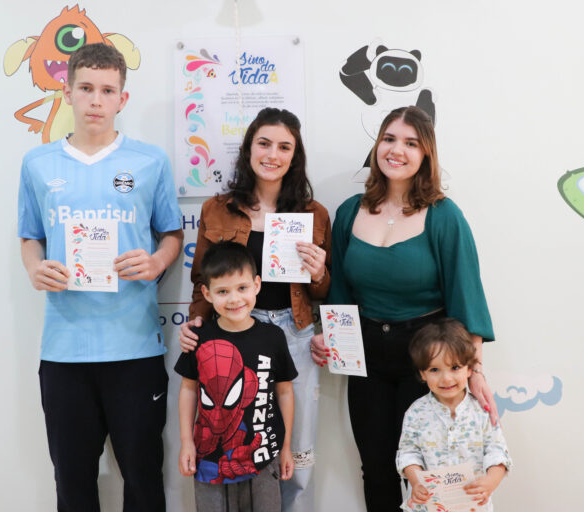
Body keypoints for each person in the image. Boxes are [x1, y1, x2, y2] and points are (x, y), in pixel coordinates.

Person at [17, 43, 183, 511]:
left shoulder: (150, 162)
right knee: (72, 485)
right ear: (67, 93)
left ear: (122, 99)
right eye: (86, 88)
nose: (96, 100)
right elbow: (29, 236)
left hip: (134, 349)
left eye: (107, 90)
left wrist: (158, 262)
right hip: (65, 352)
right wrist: (34, 267)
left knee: (144, 481)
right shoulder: (38, 164)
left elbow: (172, 233)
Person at [310, 105, 497, 511]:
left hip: (429, 359)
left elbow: (466, 296)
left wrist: (476, 371)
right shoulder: (349, 211)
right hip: (367, 359)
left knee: (432, 471)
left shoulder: (445, 216)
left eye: (411, 143)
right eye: (389, 139)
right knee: (376, 468)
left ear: (426, 154)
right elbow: (340, 290)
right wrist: (328, 336)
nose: (397, 150)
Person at [179, 108, 331, 511]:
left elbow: (324, 289)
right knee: (238, 441)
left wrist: (319, 273)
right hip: (231, 332)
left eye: (284, 147)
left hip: (294, 333)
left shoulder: (314, 214)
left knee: (297, 448)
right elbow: (202, 279)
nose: (272, 154)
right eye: (264, 143)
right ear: (249, 148)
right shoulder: (217, 208)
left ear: (295, 156)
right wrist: (196, 322)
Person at [175, 241, 297, 511]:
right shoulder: (198, 338)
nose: (234, 299)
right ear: (207, 293)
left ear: (257, 285)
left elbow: (285, 392)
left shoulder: (273, 337)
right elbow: (188, 389)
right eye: (222, 291)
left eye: (242, 288)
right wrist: (186, 443)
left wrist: (286, 446)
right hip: (209, 461)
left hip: (264, 458)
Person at [397, 318, 511, 511]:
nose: (446, 378)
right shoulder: (415, 413)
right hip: (428, 506)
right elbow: (408, 453)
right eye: (434, 369)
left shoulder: (482, 411)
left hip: (472, 506)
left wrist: (490, 482)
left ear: (469, 368)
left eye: (455, 367)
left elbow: (498, 452)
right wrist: (416, 481)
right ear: (422, 373)